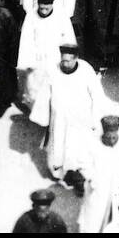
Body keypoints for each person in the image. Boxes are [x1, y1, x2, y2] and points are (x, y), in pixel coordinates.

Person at [30, 41, 103, 187]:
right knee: (59, 144)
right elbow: (44, 94)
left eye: (69, 61)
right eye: (63, 60)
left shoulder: (86, 70)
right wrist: (43, 118)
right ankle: (60, 172)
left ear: (76, 59)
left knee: (79, 147)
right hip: (60, 119)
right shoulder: (53, 70)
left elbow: (97, 95)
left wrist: (96, 118)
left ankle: (79, 174)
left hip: (81, 118)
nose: (65, 64)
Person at [78, 111, 119, 233]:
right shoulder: (93, 144)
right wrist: (93, 179)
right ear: (104, 134)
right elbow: (83, 164)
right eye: (108, 138)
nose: (112, 141)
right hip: (99, 189)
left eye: (114, 137)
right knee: (95, 219)